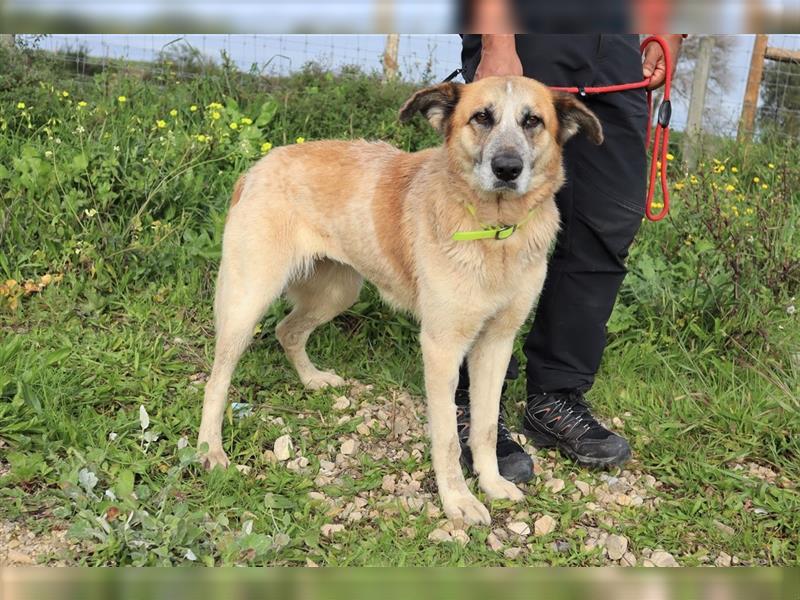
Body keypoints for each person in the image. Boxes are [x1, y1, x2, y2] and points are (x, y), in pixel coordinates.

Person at [455, 30, 683, 482]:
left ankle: (555, 397)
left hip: (617, 40)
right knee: (491, 213)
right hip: (526, 29)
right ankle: (471, 403)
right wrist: (496, 39)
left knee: (606, 217)